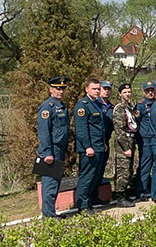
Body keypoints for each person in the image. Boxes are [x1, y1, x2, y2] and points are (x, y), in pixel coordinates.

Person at [36, 76, 70, 218]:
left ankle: (51, 213)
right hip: (51, 150)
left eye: (63, 88)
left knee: (55, 183)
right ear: (51, 90)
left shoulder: (61, 106)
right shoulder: (47, 107)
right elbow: (44, 132)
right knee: (49, 183)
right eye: (57, 88)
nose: (60, 91)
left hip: (59, 149)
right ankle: (48, 216)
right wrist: (47, 153)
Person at [73, 79, 106, 212]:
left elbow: (99, 127)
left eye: (98, 88)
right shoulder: (83, 106)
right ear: (87, 89)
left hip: (98, 145)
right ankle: (83, 205)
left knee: (95, 176)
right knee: (87, 177)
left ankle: (90, 201)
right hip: (89, 148)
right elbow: (82, 130)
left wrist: (103, 143)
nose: (97, 91)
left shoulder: (96, 103)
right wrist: (87, 146)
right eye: (94, 89)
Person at [111, 83, 138, 207]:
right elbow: (119, 130)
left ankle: (125, 193)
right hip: (123, 145)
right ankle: (120, 197)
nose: (127, 94)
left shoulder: (130, 107)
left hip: (131, 142)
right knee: (123, 172)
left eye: (129, 92)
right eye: (125, 92)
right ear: (120, 94)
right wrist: (126, 148)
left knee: (129, 170)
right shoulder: (119, 108)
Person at [134, 81, 156, 200]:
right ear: (144, 92)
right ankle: (140, 191)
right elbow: (135, 124)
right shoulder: (140, 106)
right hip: (145, 139)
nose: (150, 93)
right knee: (145, 165)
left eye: (152, 90)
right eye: (148, 91)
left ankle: (154, 188)